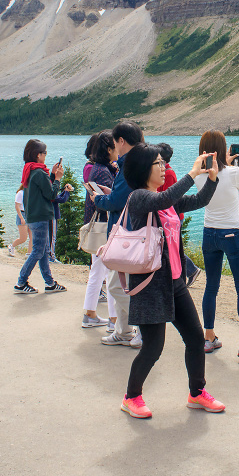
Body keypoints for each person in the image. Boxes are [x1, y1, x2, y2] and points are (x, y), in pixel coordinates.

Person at [120, 144, 223, 419]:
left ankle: (197, 393)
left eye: (163, 162)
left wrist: (211, 177)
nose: (164, 166)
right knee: (153, 348)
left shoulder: (164, 199)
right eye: (158, 163)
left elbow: (199, 201)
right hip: (151, 285)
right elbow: (163, 200)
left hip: (175, 282)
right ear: (145, 169)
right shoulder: (140, 198)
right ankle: (131, 397)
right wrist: (191, 173)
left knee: (194, 338)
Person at [195, 131, 239, 360]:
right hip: (233, 233)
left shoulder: (198, 174)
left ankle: (209, 337)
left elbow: (215, 178)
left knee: (211, 287)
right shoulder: (234, 172)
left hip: (209, 233)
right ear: (222, 148)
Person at [93, 121, 145, 348]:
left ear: (122, 141)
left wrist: (99, 199)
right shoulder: (138, 161)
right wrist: (111, 192)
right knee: (124, 282)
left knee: (116, 284)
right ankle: (123, 331)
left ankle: (145, 325)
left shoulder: (128, 165)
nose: (114, 146)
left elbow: (119, 201)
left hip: (125, 233)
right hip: (132, 231)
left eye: (115, 142)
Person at [14, 139, 67, 295]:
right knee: (38, 251)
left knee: (43, 250)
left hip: (32, 215)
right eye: (44, 153)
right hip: (41, 216)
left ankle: (49, 283)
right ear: (38, 155)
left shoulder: (30, 170)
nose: (45, 155)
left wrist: (51, 174)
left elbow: (43, 189)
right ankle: (21, 282)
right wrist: (57, 179)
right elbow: (51, 194)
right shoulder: (38, 172)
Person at [82, 130, 118, 328]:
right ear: (108, 149)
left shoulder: (98, 168)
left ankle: (90, 314)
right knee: (110, 273)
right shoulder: (102, 171)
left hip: (98, 226)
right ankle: (113, 320)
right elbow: (107, 201)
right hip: (105, 227)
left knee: (98, 271)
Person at [158, 142, 202, 286]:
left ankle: (191, 270)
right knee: (171, 247)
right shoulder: (164, 172)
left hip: (172, 216)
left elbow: (171, 198)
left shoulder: (169, 173)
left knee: (172, 247)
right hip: (165, 215)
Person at [7, 184, 30, 255]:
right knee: (23, 238)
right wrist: (21, 218)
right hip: (22, 214)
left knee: (32, 237)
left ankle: (29, 254)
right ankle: (12, 246)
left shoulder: (31, 193)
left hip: (30, 215)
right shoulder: (20, 193)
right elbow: (17, 206)